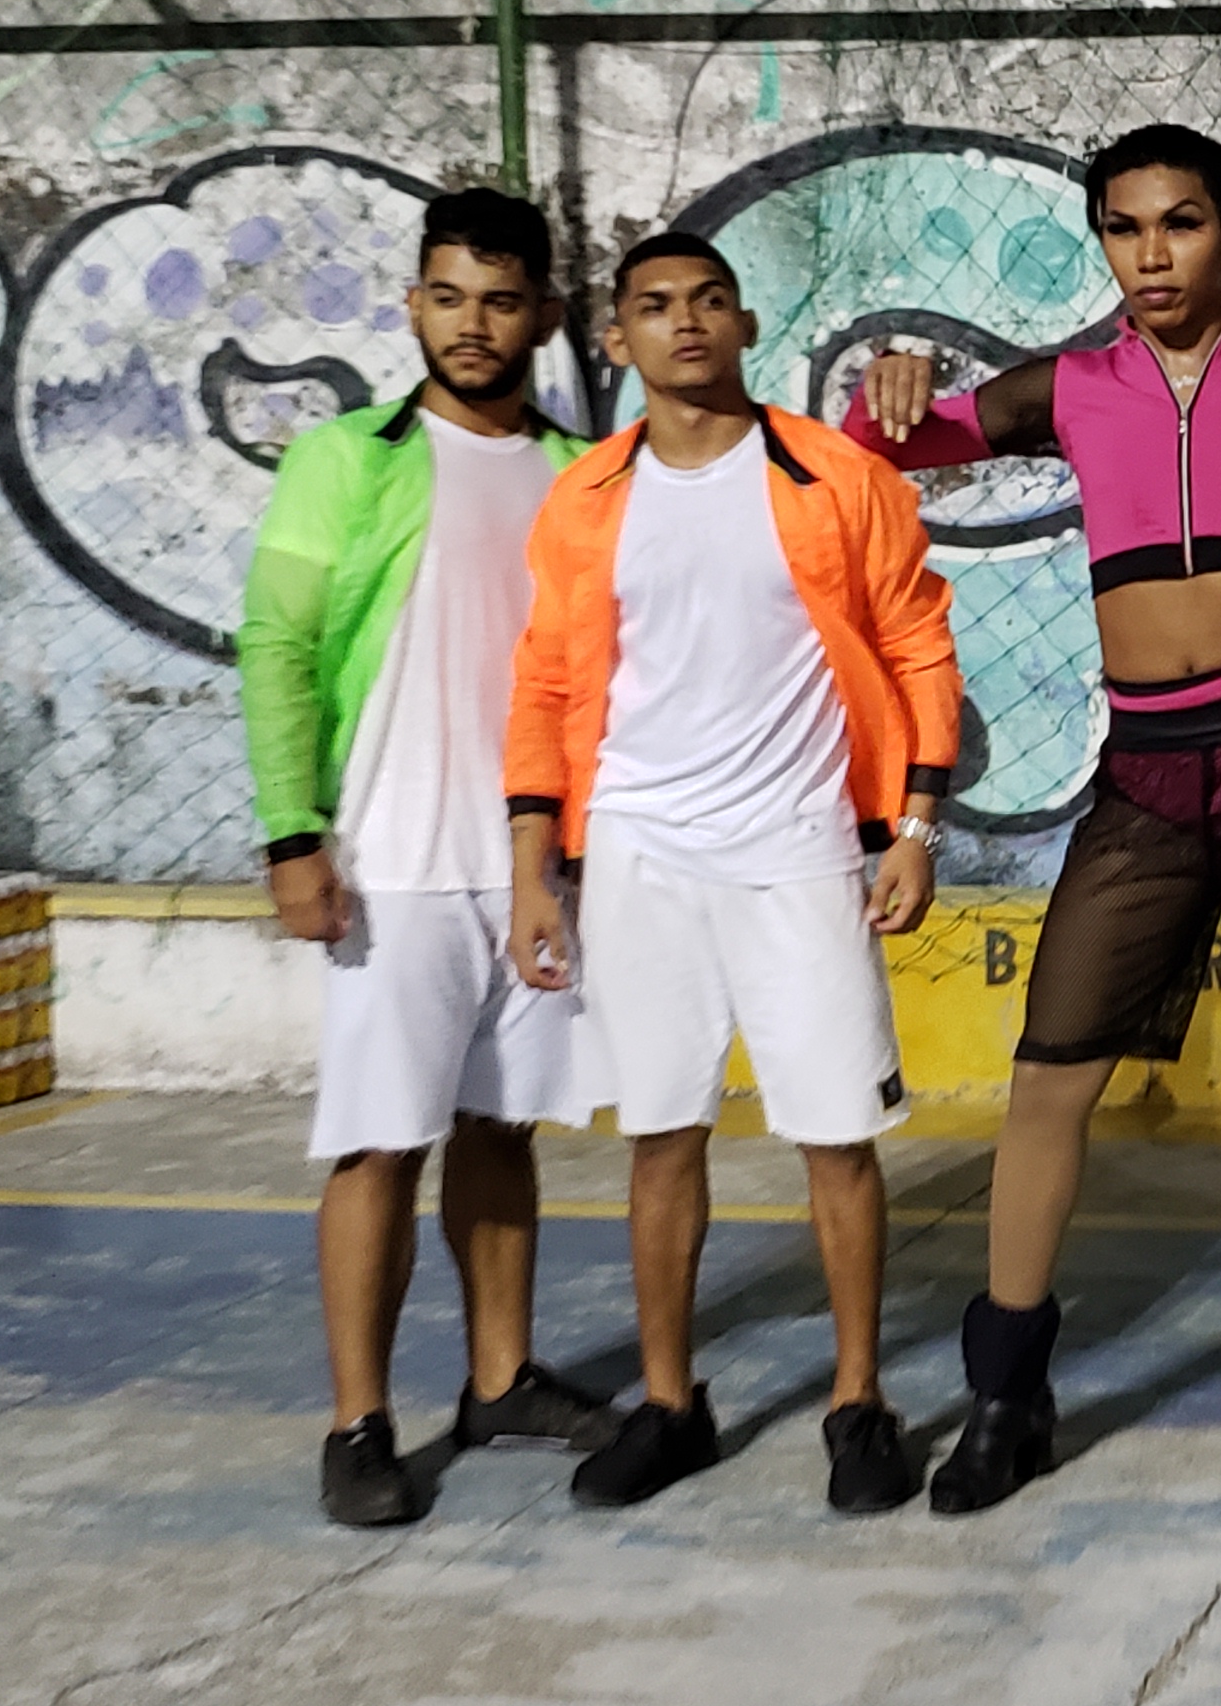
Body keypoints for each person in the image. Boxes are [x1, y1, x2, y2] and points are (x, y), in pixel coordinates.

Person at [850, 123, 1221, 1525]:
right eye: (1124, 229)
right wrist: (891, 388)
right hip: (1146, 775)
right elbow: (884, 446)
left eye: (1181, 223)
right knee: (1050, 1072)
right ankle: (1009, 1396)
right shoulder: (1069, 390)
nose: (1153, 255)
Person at [500, 232, 962, 1516]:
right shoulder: (585, 498)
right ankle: (670, 1404)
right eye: (655, 306)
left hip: (799, 852)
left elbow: (919, 643)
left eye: (709, 301)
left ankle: (858, 1402)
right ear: (618, 337)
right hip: (638, 854)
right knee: (661, 1137)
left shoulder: (832, 476)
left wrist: (915, 828)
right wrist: (535, 867)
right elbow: (545, 684)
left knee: (838, 1139)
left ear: (747, 324)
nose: (686, 322)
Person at [238, 187, 609, 1527]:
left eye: (501, 301)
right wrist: (294, 834)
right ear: (412, 307)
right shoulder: (346, 458)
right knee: (380, 1142)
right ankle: (359, 1422)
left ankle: (500, 1379)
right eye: (447, 297)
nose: (472, 324)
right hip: (389, 859)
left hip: (530, 868)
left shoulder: (584, 474)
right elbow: (277, 646)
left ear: (544, 316)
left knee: (501, 1128)